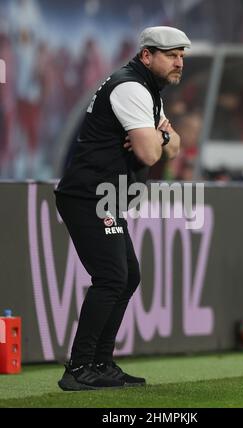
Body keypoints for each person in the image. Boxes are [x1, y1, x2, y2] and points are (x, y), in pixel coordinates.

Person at [55, 26, 191, 391]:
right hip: (89, 194)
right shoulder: (131, 87)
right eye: (171, 55)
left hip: (107, 195)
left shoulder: (149, 89)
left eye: (181, 55)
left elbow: (174, 148)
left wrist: (160, 136)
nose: (180, 62)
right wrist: (160, 138)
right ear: (147, 55)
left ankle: (100, 363)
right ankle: (80, 368)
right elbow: (151, 154)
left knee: (127, 276)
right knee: (114, 276)